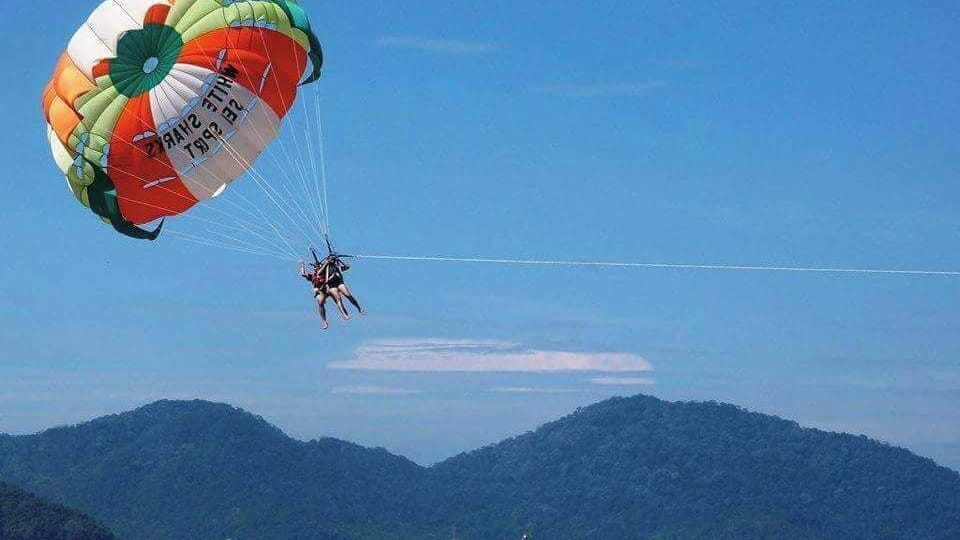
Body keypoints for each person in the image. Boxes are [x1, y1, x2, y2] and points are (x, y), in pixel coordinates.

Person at [323, 254, 364, 318]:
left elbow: (347, 267)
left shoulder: (337, 266)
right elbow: (326, 280)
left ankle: (359, 308)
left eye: (333, 259)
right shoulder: (326, 268)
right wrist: (333, 275)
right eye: (331, 259)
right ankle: (344, 315)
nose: (333, 260)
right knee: (338, 299)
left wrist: (340, 260)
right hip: (332, 285)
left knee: (348, 295)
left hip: (339, 283)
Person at [300, 258, 331, 329]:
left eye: (316, 267)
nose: (314, 268)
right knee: (320, 304)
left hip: (327, 289)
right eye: (314, 267)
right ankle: (324, 321)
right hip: (319, 291)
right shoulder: (312, 276)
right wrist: (302, 264)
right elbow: (303, 274)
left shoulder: (325, 272)